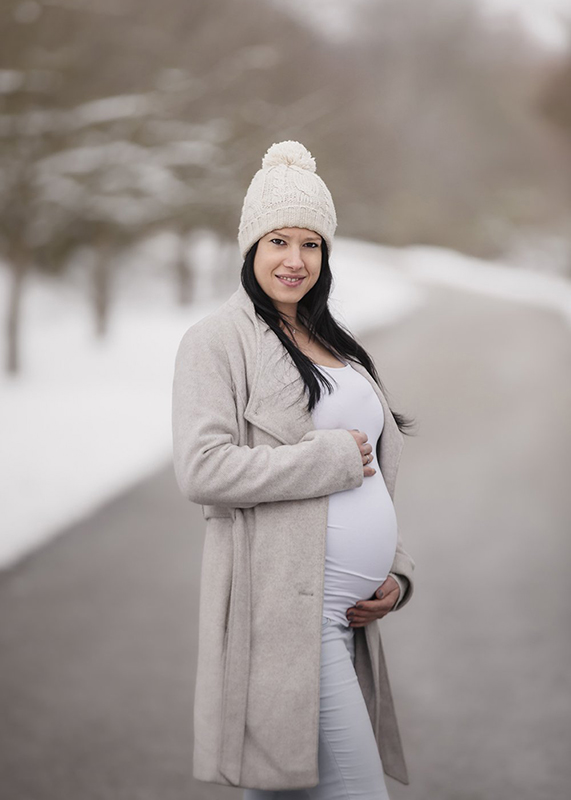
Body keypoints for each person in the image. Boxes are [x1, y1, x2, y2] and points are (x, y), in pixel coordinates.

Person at [171, 140, 416, 799]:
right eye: (278, 240)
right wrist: (326, 458)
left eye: (311, 244)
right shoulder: (218, 341)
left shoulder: (330, 339)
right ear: (250, 247)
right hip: (287, 615)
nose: (294, 260)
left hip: (343, 616)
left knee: (284, 789)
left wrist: (396, 575)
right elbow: (201, 470)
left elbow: (373, 479)